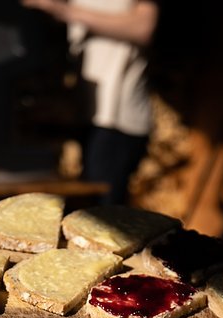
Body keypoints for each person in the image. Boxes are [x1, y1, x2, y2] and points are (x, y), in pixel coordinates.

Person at [22, 0, 159, 206]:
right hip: (87, 113)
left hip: (117, 121)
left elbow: (143, 26)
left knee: (102, 217)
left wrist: (64, 11)